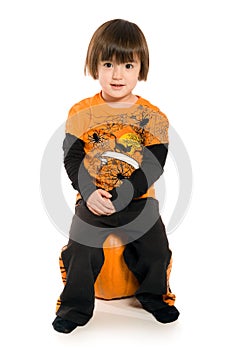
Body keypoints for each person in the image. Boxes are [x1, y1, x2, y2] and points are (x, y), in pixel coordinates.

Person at [52, 18, 180, 334]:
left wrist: (128, 192)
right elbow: (72, 157)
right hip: (93, 197)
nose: (117, 74)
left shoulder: (154, 116)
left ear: (141, 68)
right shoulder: (80, 112)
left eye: (127, 65)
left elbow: (154, 163)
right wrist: (90, 191)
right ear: (95, 66)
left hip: (138, 198)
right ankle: (75, 306)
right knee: (81, 245)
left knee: (155, 246)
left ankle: (154, 296)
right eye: (108, 64)